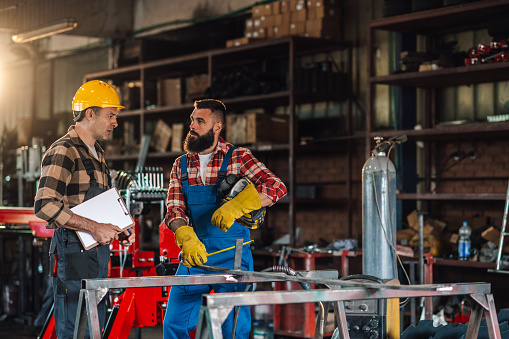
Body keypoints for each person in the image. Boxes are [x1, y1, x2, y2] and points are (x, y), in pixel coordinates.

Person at [163, 99, 287, 339]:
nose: (193, 126)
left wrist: (240, 205)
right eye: (192, 120)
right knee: (174, 323)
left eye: (200, 121)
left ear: (217, 126)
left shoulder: (238, 157)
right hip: (194, 254)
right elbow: (174, 210)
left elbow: (277, 186)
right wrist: (184, 235)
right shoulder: (181, 165)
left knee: (232, 330)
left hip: (233, 255)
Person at [34, 80, 135, 338]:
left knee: (93, 328)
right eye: (110, 115)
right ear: (90, 113)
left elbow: (99, 204)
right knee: (74, 328)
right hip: (73, 254)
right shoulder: (64, 151)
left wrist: (119, 228)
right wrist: (95, 227)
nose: (115, 122)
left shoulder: (97, 153)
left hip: (96, 253)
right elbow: (45, 205)